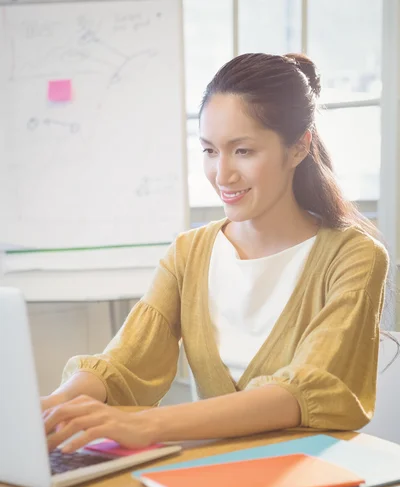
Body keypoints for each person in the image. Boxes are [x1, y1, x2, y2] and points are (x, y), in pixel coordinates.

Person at [43, 53, 389, 454]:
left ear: (298, 148)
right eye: (210, 151)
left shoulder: (353, 257)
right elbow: (125, 363)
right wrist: (58, 404)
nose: (222, 175)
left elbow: (299, 392)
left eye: (243, 151)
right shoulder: (189, 253)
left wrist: (145, 423)